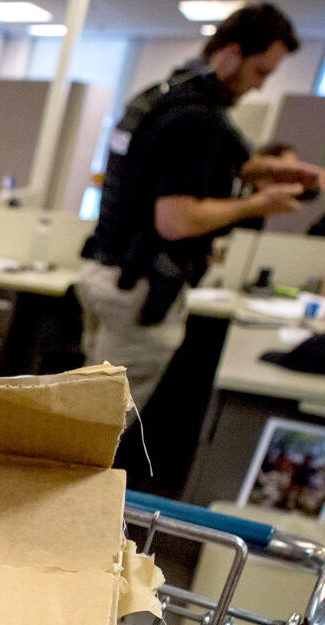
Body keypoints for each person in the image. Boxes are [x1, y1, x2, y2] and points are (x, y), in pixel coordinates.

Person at [79, 5, 323, 417]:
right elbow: (176, 221)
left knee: (84, 407)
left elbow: (186, 170)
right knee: (103, 423)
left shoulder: (166, 97)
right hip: (141, 287)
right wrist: (260, 203)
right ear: (230, 56)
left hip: (107, 273)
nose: (260, 87)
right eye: (261, 72)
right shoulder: (199, 120)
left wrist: (271, 170)